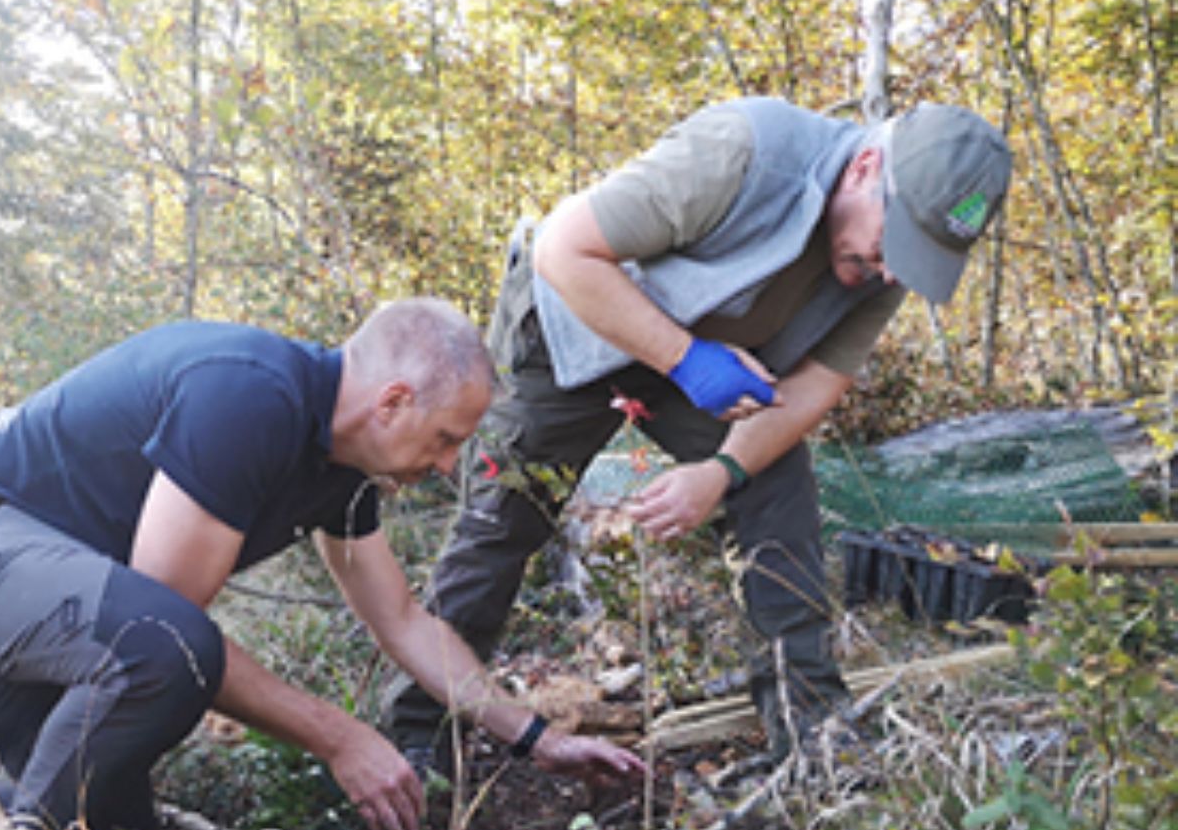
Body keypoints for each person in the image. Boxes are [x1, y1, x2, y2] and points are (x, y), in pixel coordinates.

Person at [0, 299, 645, 830]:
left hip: (46, 591)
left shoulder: (341, 467)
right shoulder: (248, 392)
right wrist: (340, 735)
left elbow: (403, 618)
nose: (450, 466)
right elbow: (163, 631)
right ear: (394, 401)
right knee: (164, 652)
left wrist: (535, 737)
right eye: (448, 439)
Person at [382, 98, 1013, 769]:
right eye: (896, 245)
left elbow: (810, 391)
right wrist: (685, 360)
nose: (892, 271)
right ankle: (416, 740)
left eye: (915, 259)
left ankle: (817, 738)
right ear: (864, 169)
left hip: (698, 357)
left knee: (777, 492)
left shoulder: (886, 264)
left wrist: (722, 472)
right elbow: (563, 249)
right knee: (506, 516)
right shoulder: (744, 152)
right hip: (578, 324)